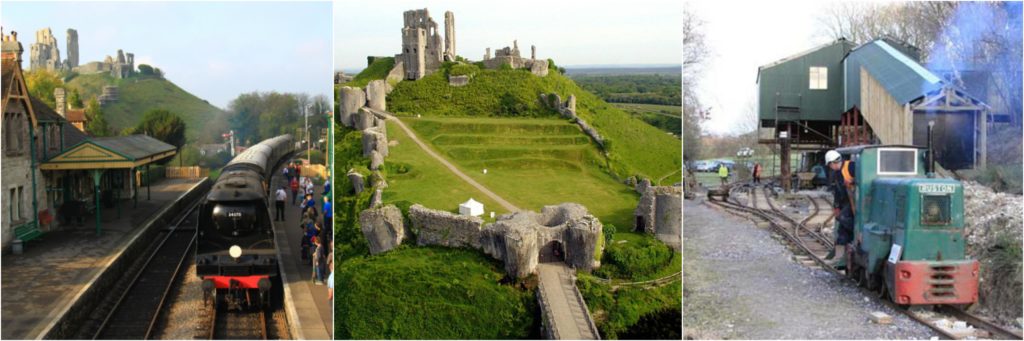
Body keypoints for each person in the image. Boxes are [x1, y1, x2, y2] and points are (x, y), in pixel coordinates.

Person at [825, 150, 856, 266]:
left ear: (832, 163)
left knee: (843, 218)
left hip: (855, 200)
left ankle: (855, 230)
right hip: (846, 201)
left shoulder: (851, 166)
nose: (830, 167)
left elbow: (864, 179)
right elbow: (837, 191)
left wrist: (853, 181)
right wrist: (836, 206)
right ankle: (839, 257)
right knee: (841, 228)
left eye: (830, 165)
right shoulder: (837, 173)